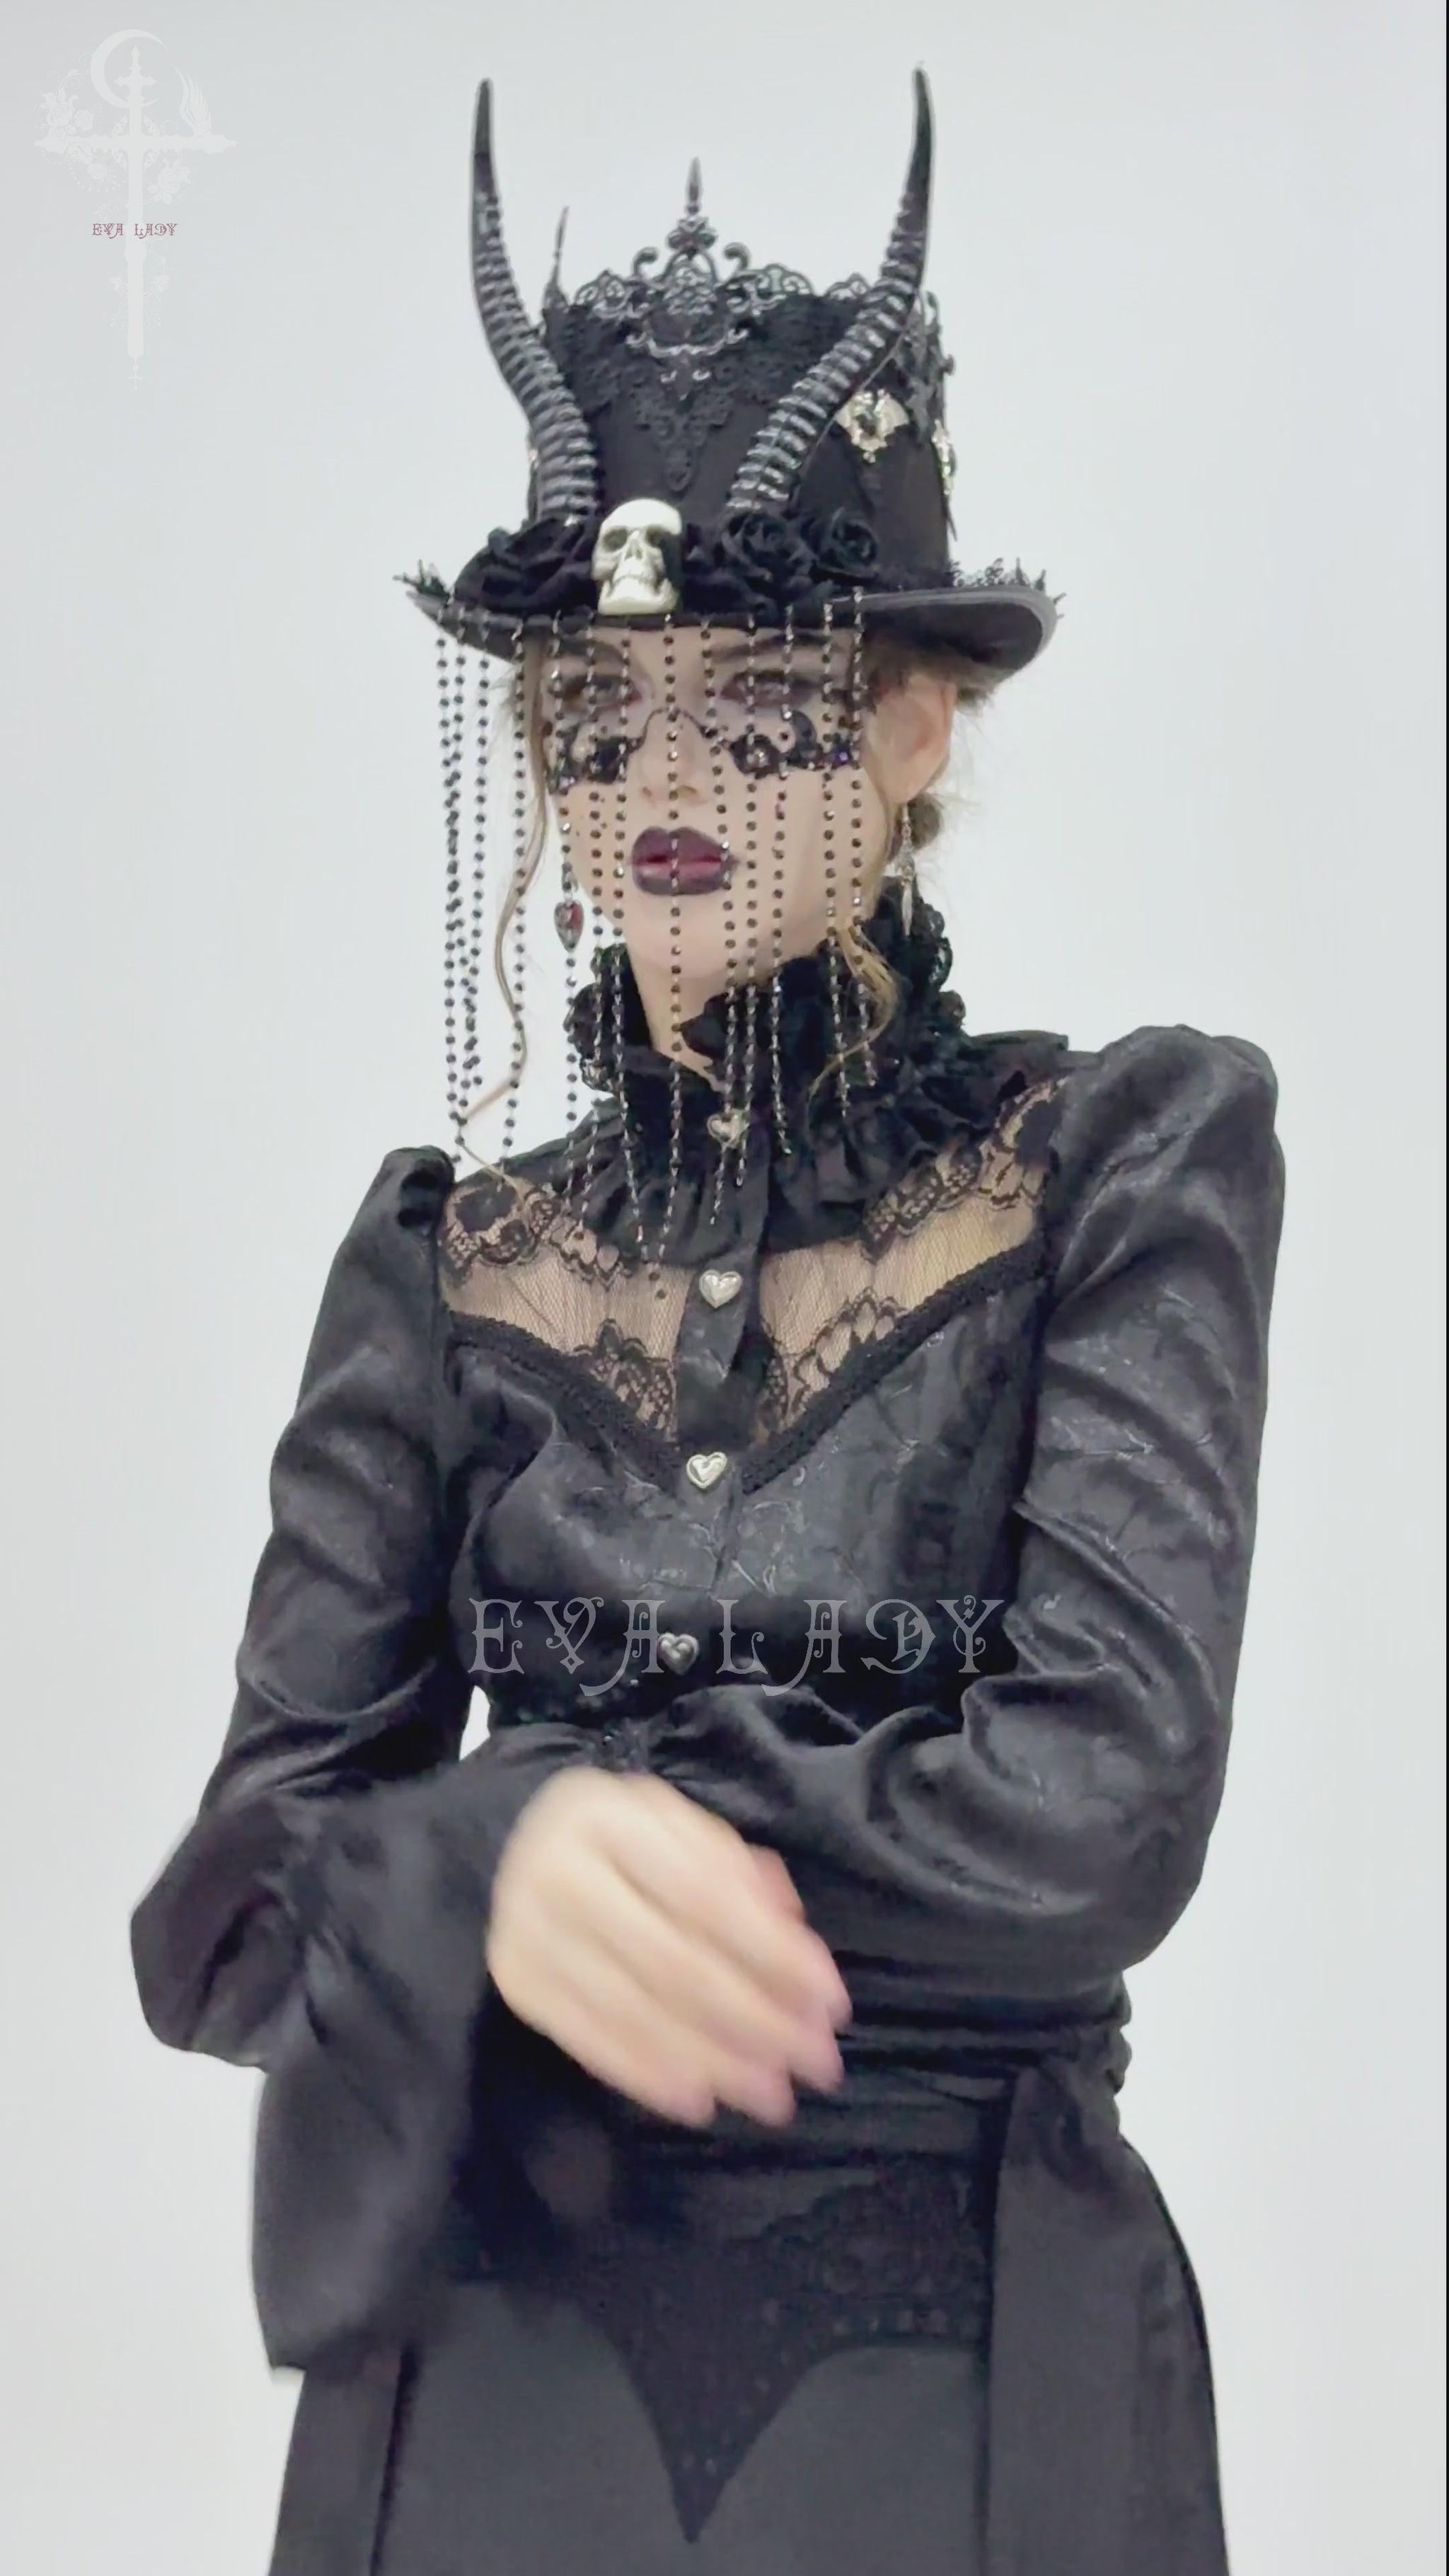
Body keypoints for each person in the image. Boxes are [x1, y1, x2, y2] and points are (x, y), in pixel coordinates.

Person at [129, 69, 1286, 2576]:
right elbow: (226, 1906)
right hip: (483, 2387)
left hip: (964, 2368)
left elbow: (1098, 1812)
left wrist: (573, 1827)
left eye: (752, 698)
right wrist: (485, 1855)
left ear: (914, 714)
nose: (660, 771)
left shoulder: (1121, 1164)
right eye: (596, 711)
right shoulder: (447, 1258)